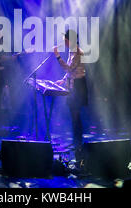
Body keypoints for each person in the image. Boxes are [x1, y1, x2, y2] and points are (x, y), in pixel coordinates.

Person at [53, 29, 88, 163]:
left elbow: (69, 68)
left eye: (65, 39)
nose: (63, 42)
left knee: (76, 115)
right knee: (74, 115)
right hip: (74, 84)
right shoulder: (73, 51)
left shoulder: (77, 52)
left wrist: (57, 56)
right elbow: (70, 71)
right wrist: (63, 80)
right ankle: (76, 142)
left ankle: (78, 143)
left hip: (78, 86)